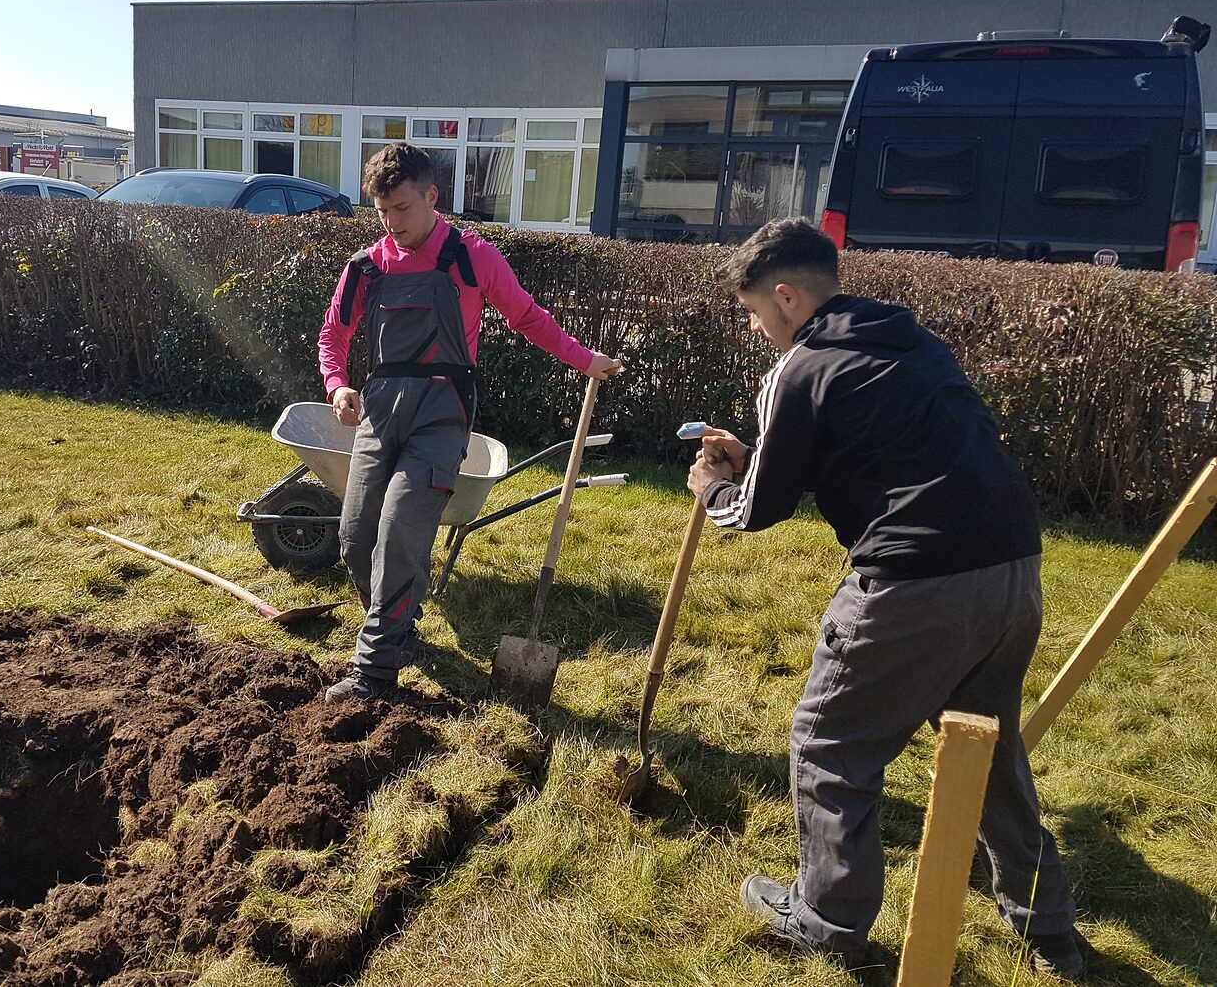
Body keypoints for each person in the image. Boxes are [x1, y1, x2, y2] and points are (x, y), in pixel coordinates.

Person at [687, 218, 1085, 978]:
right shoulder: (910, 341)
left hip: (912, 580)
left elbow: (758, 508)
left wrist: (713, 489)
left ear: (785, 296)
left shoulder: (800, 367)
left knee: (830, 746)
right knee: (991, 748)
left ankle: (827, 920)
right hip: (1012, 569)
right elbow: (876, 446)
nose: (755, 328)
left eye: (752, 313)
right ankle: (1049, 927)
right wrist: (758, 459)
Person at [318, 143, 620, 702]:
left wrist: (586, 360)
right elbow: (332, 336)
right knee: (357, 542)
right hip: (379, 417)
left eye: (402, 208)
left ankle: (374, 671)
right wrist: (338, 386)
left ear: (432, 196)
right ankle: (396, 630)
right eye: (382, 211)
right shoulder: (366, 267)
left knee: (400, 536)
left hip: (441, 418)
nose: (392, 223)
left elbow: (528, 316)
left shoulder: (471, 257)